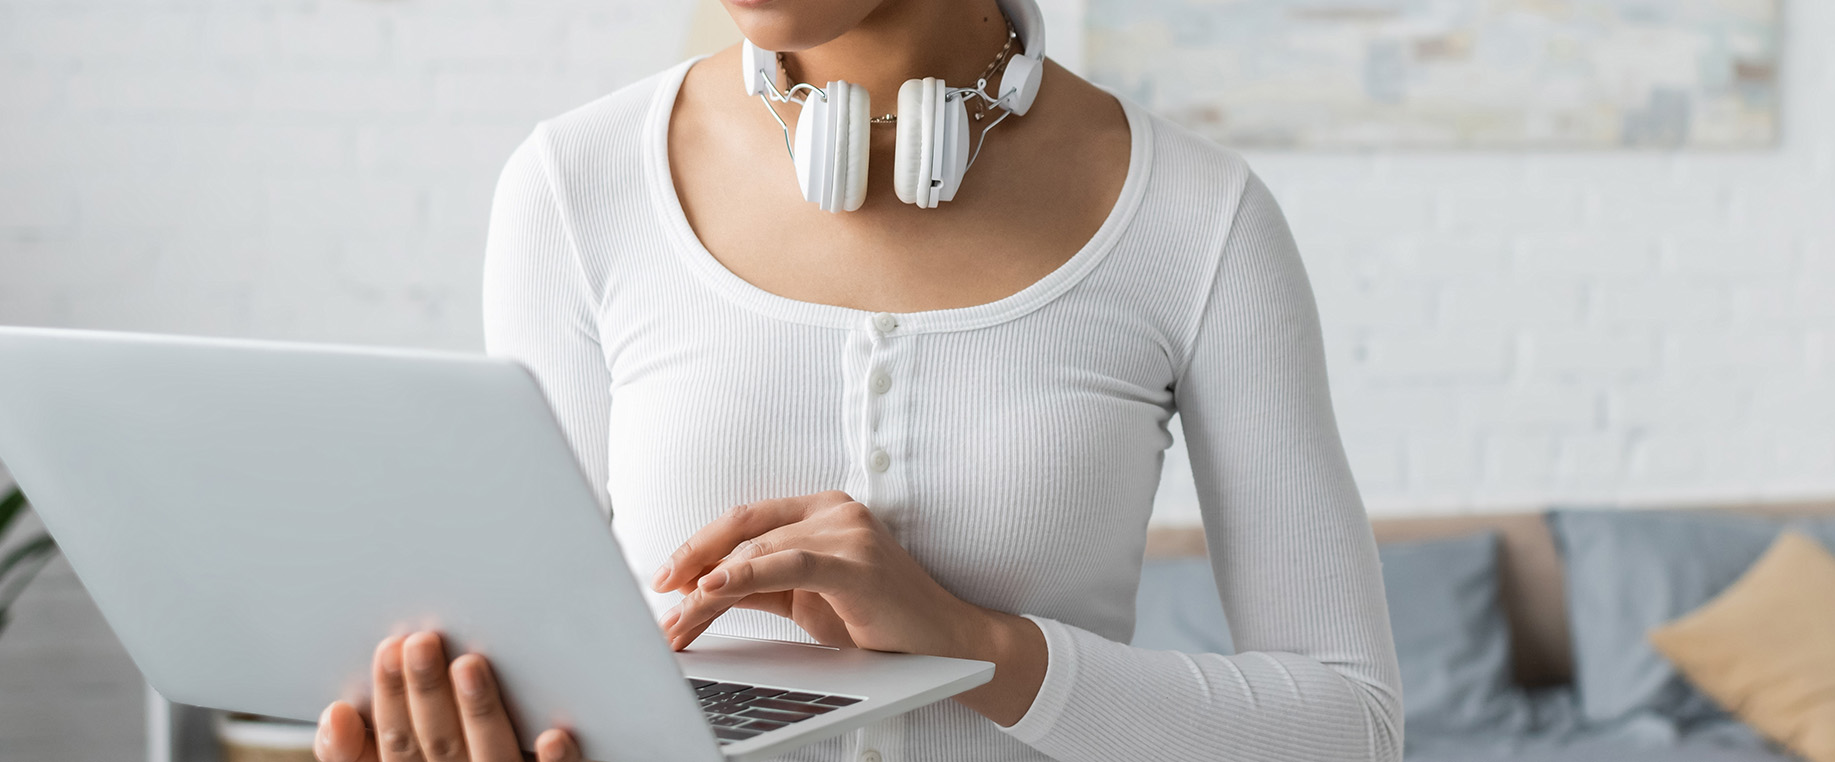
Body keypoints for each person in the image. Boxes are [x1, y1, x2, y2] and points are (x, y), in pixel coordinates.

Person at [310, 0, 1401, 759]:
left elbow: (1349, 730)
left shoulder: (1198, 219)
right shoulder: (575, 186)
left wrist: (976, 647)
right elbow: (534, 671)